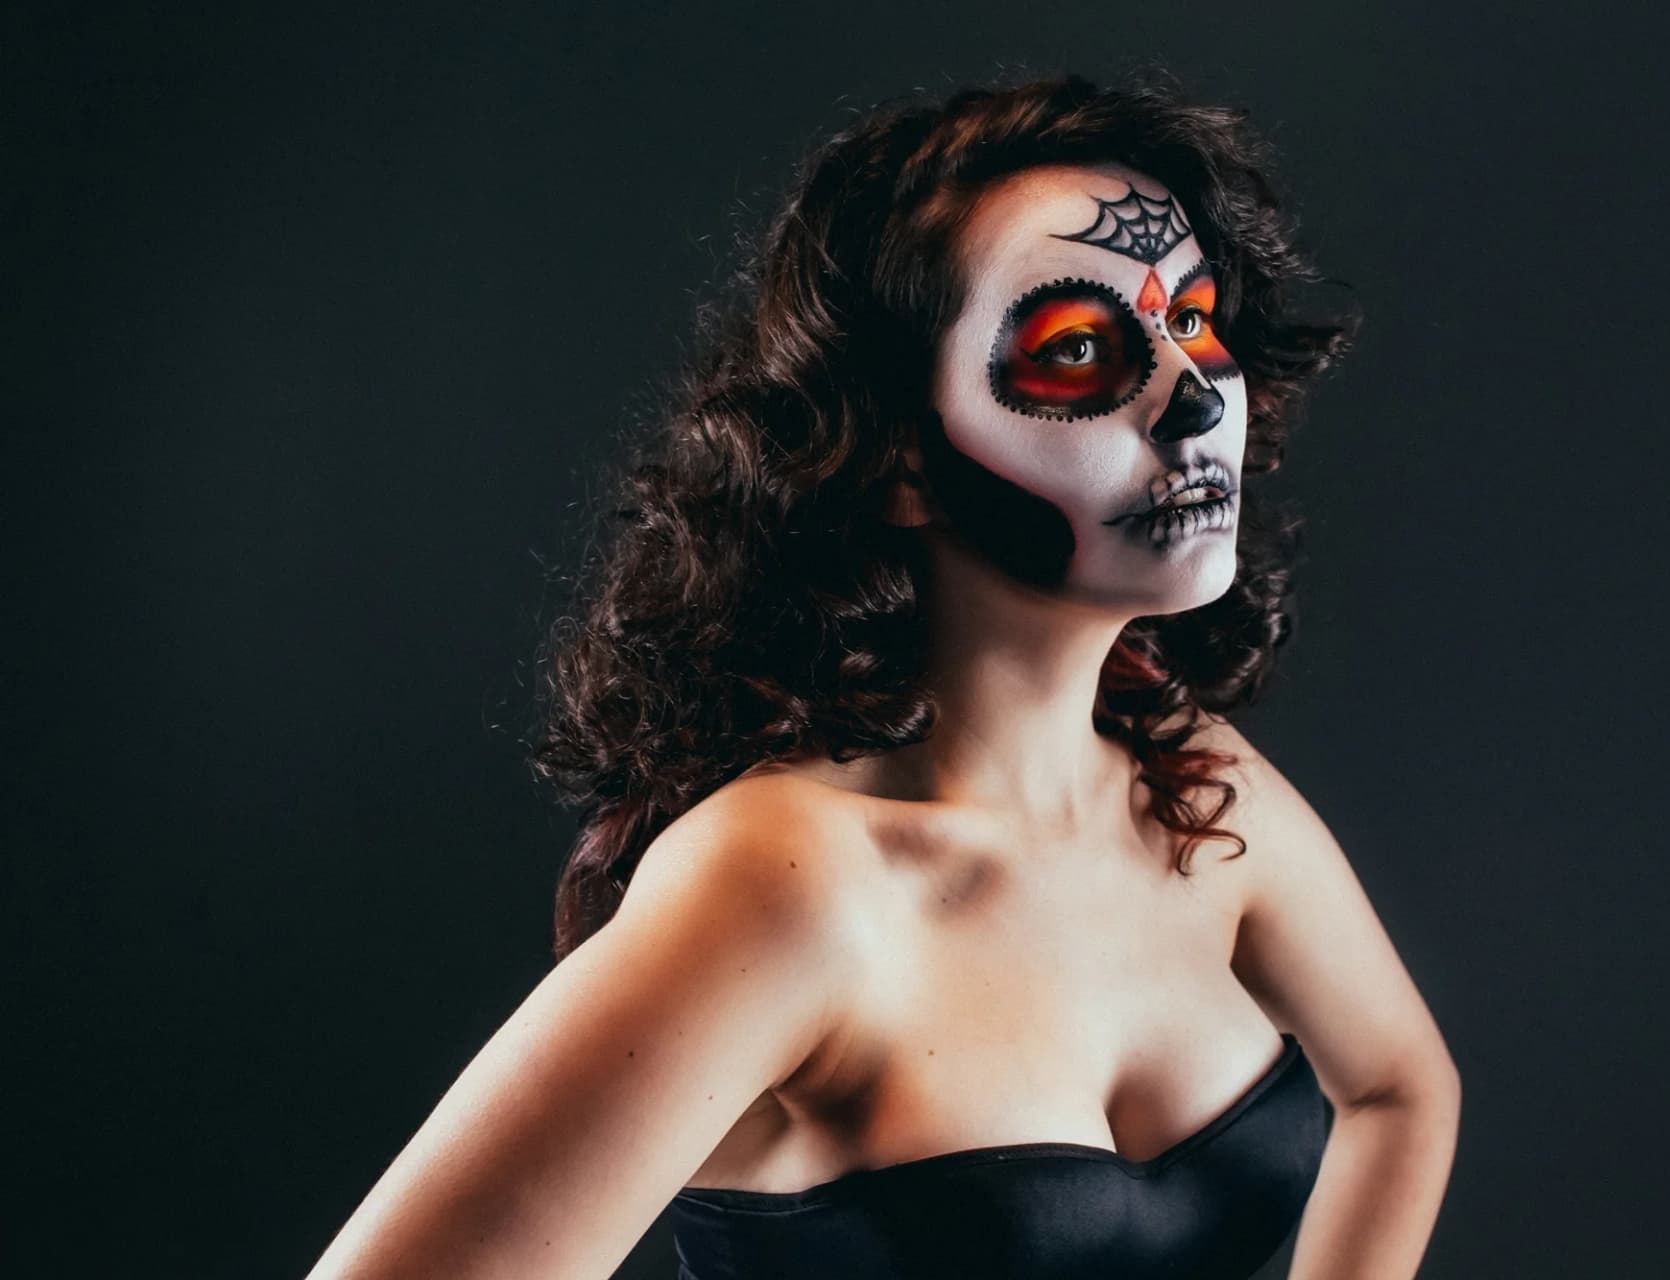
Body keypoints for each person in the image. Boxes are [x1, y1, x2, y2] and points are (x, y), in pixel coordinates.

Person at [307, 71, 1460, 1280]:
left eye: (1194, 320)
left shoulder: (1188, 779)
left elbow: (1398, 1087)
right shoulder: (780, 882)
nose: (1193, 400)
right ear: (898, 456)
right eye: (1078, 349)